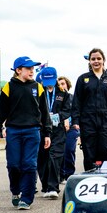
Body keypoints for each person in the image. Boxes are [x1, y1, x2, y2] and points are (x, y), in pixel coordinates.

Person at [0, 56, 52, 210]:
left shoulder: (38, 87)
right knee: (13, 165)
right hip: (14, 131)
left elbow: (45, 113)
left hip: (33, 131)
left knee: (29, 165)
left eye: (33, 68)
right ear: (18, 70)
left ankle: (27, 198)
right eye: (28, 68)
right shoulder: (8, 87)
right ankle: (15, 191)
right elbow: (0, 111)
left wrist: (47, 133)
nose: (32, 71)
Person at [71, 48, 107, 171]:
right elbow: (77, 101)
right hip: (87, 120)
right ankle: (90, 176)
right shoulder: (83, 79)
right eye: (93, 59)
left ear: (103, 60)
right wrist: (75, 120)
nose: (96, 61)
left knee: (106, 149)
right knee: (89, 151)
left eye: (99, 58)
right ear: (89, 61)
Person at [36, 67, 71, 199]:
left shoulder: (63, 93)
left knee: (55, 157)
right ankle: (45, 185)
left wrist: (57, 116)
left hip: (58, 130)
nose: (49, 84)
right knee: (42, 158)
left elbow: (68, 110)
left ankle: (53, 187)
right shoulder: (38, 92)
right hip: (42, 129)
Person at [58, 76, 79, 183]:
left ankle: (69, 174)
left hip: (72, 128)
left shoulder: (73, 97)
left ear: (67, 85)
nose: (61, 86)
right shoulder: (57, 98)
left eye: (63, 84)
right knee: (60, 152)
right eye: (59, 84)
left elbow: (76, 112)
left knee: (69, 150)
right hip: (59, 128)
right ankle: (60, 175)